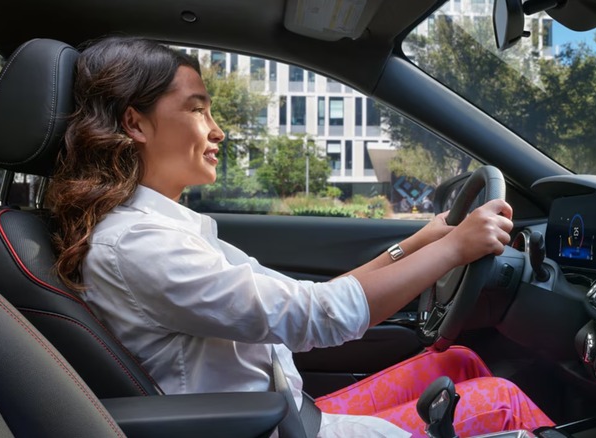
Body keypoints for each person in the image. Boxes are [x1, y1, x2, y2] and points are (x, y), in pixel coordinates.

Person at [48, 36, 553, 437]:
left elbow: (304, 299)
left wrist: (422, 242)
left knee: (457, 360)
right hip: (271, 429)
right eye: (198, 109)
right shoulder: (140, 245)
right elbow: (317, 316)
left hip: (286, 411)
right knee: (502, 402)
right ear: (135, 124)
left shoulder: (165, 229)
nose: (217, 129)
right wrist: (455, 248)